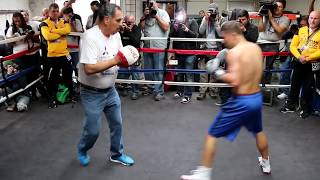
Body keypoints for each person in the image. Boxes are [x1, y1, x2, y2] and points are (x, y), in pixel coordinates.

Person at [181, 21, 271, 180]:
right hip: (256, 98)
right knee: (258, 131)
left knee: (212, 134)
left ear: (233, 34)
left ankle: (203, 174)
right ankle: (266, 163)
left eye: (224, 37)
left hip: (241, 101)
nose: (223, 41)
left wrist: (217, 71)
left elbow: (235, 80)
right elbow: (258, 72)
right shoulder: (256, 48)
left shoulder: (234, 53)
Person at [77, 2, 139, 167]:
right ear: (106, 19)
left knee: (117, 124)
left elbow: (119, 58)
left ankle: (117, 154)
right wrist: (116, 60)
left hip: (110, 90)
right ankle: (83, 149)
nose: (121, 24)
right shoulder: (89, 37)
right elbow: (89, 69)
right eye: (118, 20)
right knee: (93, 130)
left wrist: (128, 59)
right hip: (91, 92)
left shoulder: (116, 36)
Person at [280, 11, 320, 119]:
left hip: (313, 63)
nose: (312, 20)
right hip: (299, 62)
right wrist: (299, 57)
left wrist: (308, 58)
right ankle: (291, 105)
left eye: (316, 18)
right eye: (311, 18)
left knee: (308, 86)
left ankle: (305, 108)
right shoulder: (300, 30)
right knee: (295, 83)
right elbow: (293, 45)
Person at [40, 3, 74, 108]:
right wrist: (61, 33)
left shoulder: (64, 21)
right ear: (49, 12)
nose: (55, 13)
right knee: (52, 79)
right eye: (53, 11)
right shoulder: (44, 24)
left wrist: (54, 31)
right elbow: (48, 36)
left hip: (64, 54)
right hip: (52, 56)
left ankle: (69, 95)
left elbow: (68, 30)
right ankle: (52, 99)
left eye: (56, 11)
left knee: (68, 75)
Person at [139, 0, 170, 101]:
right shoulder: (146, 14)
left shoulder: (163, 13)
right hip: (147, 46)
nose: (151, 5)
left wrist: (156, 16)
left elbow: (166, 27)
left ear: (158, 4)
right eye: (150, 3)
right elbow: (142, 28)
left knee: (158, 70)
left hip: (159, 47)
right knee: (148, 70)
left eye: (153, 3)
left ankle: (159, 92)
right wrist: (144, 17)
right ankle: (151, 88)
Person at [197, 3, 226, 100]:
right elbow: (201, 31)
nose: (212, 13)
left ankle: (213, 91)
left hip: (216, 49)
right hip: (205, 48)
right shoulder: (205, 19)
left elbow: (221, 34)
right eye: (210, 11)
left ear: (217, 11)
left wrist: (215, 21)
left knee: (214, 72)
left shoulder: (222, 20)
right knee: (203, 72)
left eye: (213, 11)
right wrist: (206, 19)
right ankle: (202, 91)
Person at [170, 7, 198, 104]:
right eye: (178, 14)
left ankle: (188, 95)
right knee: (179, 74)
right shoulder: (175, 24)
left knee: (188, 74)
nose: (180, 16)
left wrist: (187, 30)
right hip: (179, 52)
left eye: (181, 13)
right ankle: (179, 91)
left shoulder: (192, 22)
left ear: (185, 13)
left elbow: (195, 35)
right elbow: (170, 36)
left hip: (190, 52)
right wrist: (174, 27)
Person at [258, 0, 290, 85]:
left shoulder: (285, 19)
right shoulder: (266, 15)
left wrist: (271, 18)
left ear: (283, 8)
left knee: (269, 67)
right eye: (276, 6)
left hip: (273, 45)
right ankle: (256, 84)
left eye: (280, 7)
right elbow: (260, 29)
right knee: (257, 66)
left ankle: (266, 85)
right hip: (261, 43)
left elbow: (279, 30)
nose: (277, 8)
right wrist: (261, 17)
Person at [119, 15, 142, 100]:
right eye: (128, 22)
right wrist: (121, 30)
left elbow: (136, 41)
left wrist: (129, 31)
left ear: (134, 22)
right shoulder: (122, 28)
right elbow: (118, 41)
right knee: (123, 73)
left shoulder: (136, 28)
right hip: (124, 55)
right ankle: (124, 88)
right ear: (125, 21)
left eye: (131, 22)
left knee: (135, 74)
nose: (129, 24)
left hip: (134, 55)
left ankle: (135, 91)